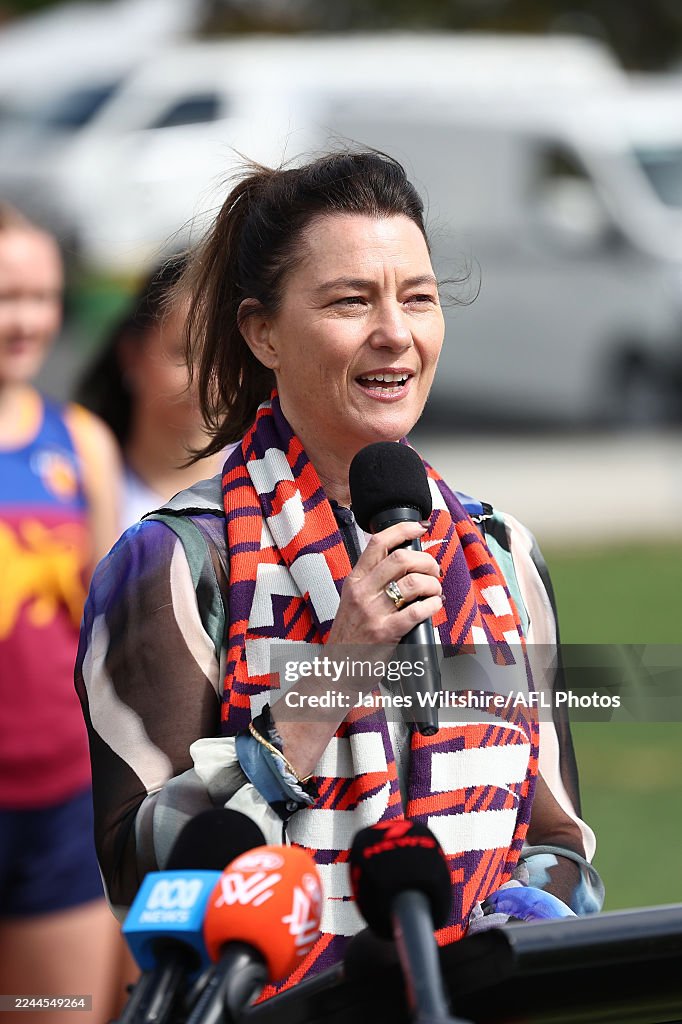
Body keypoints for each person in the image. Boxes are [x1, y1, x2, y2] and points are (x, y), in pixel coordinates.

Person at [74, 152, 603, 993]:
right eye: (351, 300)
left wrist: (500, 942)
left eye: (418, 298)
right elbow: (145, 875)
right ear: (263, 333)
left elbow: (559, 840)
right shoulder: (175, 561)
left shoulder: (503, 555)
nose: (395, 331)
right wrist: (336, 672)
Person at [0, 203, 125, 1021]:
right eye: (6, 296)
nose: (26, 320)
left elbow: (115, 643)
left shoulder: (80, 443)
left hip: (62, 816)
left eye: (42, 297)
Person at [75, 257, 228, 531]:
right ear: (131, 354)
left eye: (223, 356)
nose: (206, 378)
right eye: (183, 353)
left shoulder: (269, 480)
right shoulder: (74, 481)